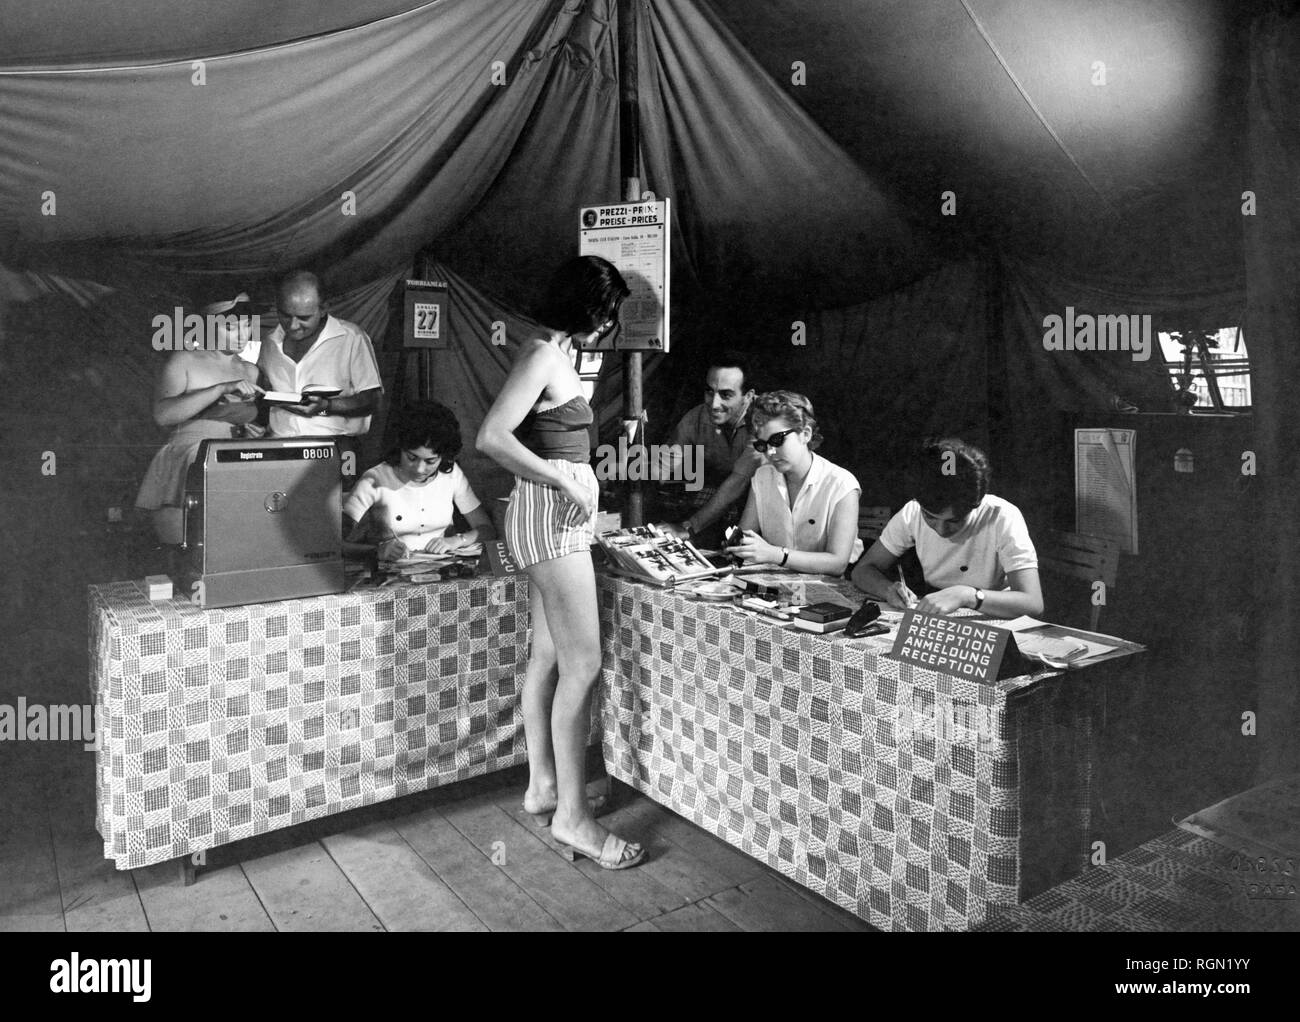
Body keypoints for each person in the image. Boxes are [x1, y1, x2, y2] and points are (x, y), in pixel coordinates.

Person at [476, 255, 645, 870]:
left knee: (548, 656)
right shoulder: (543, 354)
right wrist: (566, 483)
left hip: (550, 514)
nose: (607, 327)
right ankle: (574, 819)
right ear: (586, 309)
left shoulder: (555, 350)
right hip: (550, 517)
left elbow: (555, 430)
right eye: (605, 314)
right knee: (584, 663)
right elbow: (491, 437)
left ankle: (545, 786)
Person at [850, 438, 1044, 618]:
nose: (941, 530)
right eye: (930, 517)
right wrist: (886, 589)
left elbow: (1033, 603)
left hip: (994, 614)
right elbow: (863, 570)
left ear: (975, 505)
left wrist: (967, 595)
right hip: (940, 616)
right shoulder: (912, 512)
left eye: (954, 521)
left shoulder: (1002, 516)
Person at [135, 293, 263, 546]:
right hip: (190, 457)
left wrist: (250, 431)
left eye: (248, 325)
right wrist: (219, 389)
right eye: (231, 327)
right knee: (186, 546)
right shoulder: (185, 360)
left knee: (233, 542)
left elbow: (238, 418)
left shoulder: (250, 370)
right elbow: (162, 415)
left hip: (235, 458)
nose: (242, 334)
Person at [726, 391, 862, 576]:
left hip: (830, 591)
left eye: (777, 440)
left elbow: (837, 563)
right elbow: (743, 538)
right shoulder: (762, 476)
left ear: (805, 434)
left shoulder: (841, 484)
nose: (771, 453)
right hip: (776, 585)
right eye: (762, 445)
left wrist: (775, 554)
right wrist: (735, 548)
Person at [343, 402, 495, 560]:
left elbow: (487, 530)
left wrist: (456, 541)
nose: (419, 469)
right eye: (412, 458)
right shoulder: (374, 479)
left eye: (430, 461)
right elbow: (333, 544)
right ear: (399, 447)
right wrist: (377, 551)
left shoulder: (452, 475)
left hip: (440, 572)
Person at [259, 270, 383, 438]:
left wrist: (327, 405)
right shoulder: (269, 342)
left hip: (335, 446)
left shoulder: (351, 338)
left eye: (304, 318)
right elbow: (263, 394)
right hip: (280, 445)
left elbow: (373, 400)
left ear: (324, 308)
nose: (293, 325)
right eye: (285, 315)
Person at [656, 354, 763, 548]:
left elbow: (737, 483)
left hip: (761, 506)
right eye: (709, 392)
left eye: (726, 395)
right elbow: (665, 467)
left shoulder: (765, 422)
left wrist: (687, 527)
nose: (714, 404)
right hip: (720, 500)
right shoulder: (695, 417)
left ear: (748, 396)